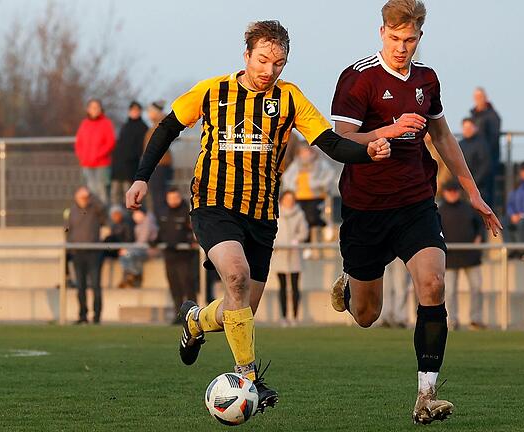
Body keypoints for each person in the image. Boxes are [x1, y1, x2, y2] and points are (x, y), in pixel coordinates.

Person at [126, 20, 391, 414]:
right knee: (234, 275)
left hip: (262, 215)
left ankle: (196, 320)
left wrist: (366, 151)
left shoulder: (289, 98)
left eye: (279, 63)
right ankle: (248, 377)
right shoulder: (213, 90)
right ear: (246, 55)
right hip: (213, 204)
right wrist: (141, 177)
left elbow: (330, 143)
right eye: (263, 60)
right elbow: (167, 127)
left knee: (241, 307)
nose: (270, 70)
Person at [328, 0, 501, 424]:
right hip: (365, 208)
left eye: (409, 39)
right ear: (381, 32)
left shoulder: (427, 79)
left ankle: (426, 394)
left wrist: (473, 193)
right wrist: (385, 132)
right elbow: (341, 139)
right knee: (368, 316)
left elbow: (442, 136)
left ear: (420, 37)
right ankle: (351, 282)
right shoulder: (357, 77)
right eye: (393, 37)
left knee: (433, 283)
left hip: (415, 203)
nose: (401, 47)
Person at [438, 181, 485, 331]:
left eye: (455, 191)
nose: (452, 194)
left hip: (470, 255)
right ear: (444, 193)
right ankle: (452, 320)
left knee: (476, 287)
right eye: (449, 191)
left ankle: (475, 319)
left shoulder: (469, 207)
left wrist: (479, 238)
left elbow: (480, 226)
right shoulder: (439, 210)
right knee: (450, 291)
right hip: (450, 257)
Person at [66, 186, 106, 324]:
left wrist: (91, 195)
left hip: (93, 252)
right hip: (78, 252)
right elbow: (67, 230)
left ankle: (97, 316)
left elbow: (103, 210)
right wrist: (69, 248)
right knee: (80, 286)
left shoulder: (94, 208)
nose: (83, 198)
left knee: (95, 285)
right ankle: (82, 315)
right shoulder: (72, 210)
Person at [158, 188, 198, 322]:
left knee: (187, 286)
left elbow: (193, 230)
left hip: (184, 256)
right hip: (169, 255)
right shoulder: (163, 211)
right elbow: (161, 231)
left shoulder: (187, 211)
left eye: (175, 198)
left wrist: (191, 240)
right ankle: (179, 315)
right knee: (174, 286)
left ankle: (193, 316)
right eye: (171, 198)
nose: (173, 201)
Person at [269, 191, 308, 326]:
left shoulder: (299, 213)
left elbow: (304, 231)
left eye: (291, 199)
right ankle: (284, 317)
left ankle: (295, 317)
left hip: (294, 254)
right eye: (287, 199)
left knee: (295, 286)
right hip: (280, 254)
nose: (289, 201)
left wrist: (296, 240)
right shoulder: (275, 212)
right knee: (283, 287)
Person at [280, 145, 335, 240]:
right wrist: (291, 188)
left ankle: (323, 227)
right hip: (298, 197)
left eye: (307, 152)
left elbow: (330, 176)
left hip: (315, 196)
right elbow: (286, 177)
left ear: (312, 152)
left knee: (311, 218)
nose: (305, 155)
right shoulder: (295, 164)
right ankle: (305, 242)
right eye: (303, 152)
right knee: (301, 219)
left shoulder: (320, 164)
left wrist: (319, 185)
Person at [74, 99, 115, 204]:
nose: (94, 110)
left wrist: (98, 155)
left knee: (102, 192)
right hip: (87, 165)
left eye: (97, 107)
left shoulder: (106, 123)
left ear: (101, 109)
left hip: (102, 164)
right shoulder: (84, 124)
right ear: (88, 109)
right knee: (90, 192)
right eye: (92, 107)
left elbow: (110, 143)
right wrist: (82, 156)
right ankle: (93, 218)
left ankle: (104, 218)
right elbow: (79, 143)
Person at [111, 101, 147, 206]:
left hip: (131, 166)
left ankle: (130, 217)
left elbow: (141, 148)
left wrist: (132, 157)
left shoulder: (143, 127)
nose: (134, 112)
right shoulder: (125, 126)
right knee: (115, 194)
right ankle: (116, 216)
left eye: (137, 110)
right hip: (118, 165)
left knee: (129, 194)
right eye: (132, 110)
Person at [470, 87, 501, 207]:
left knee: (487, 192)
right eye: (476, 97)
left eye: (480, 97)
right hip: (474, 159)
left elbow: (493, 139)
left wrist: (486, 155)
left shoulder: (492, 116)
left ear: (485, 98)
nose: (478, 100)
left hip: (488, 160)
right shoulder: (473, 115)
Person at [144, 101, 173, 218]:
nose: (148, 114)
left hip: (160, 164)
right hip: (157, 164)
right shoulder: (157, 124)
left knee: (159, 196)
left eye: (150, 111)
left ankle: (162, 221)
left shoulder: (162, 124)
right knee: (157, 195)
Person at [118, 208, 158, 288]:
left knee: (128, 254)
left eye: (136, 214)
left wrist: (128, 250)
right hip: (140, 249)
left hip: (149, 251)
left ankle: (135, 275)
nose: (134, 217)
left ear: (141, 214)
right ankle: (130, 276)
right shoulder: (141, 223)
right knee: (123, 255)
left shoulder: (148, 223)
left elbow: (142, 241)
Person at [458, 118, 492, 207]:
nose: (467, 130)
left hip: (479, 187)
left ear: (475, 128)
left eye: (469, 127)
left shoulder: (482, 144)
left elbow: (485, 166)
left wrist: (473, 183)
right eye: (465, 128)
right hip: (462, 186)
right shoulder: (460, 144)